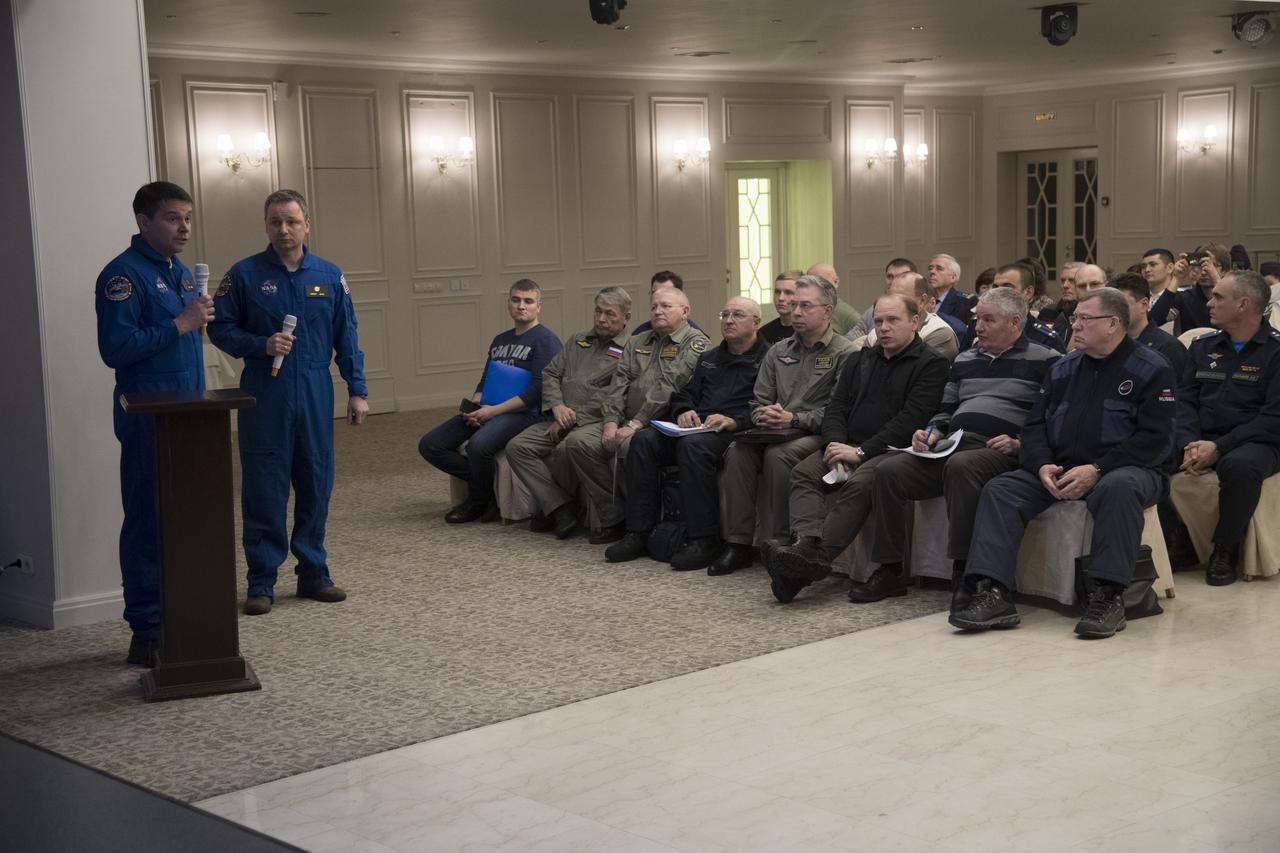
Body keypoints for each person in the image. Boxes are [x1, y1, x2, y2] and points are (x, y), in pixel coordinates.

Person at [949, 287, 1177, 639]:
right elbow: (1036, 426)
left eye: (1085, 319)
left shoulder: (1151, 368)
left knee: (1119, 488)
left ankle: (1108, 596)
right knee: (1002, 489)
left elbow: (1154, 440)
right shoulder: (1063, 368)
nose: (1076, 326)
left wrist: (1098, 470)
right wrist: (1040, 464)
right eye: (1075, 318)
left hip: (1128, 469)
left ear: (1114, 323)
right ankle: (993, 591)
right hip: (1063, 467)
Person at [209, 189, 368, 617]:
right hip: (266, 392)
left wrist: (357, 389)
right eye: (275, 222)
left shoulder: (330, 275)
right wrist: (261, 344)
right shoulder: (243, 275)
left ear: (306, 225)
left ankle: (314, 573)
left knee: (316, 482)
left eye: (292, 222)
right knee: (265, 485)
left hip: (315, 391)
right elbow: (221, 329)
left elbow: (347, 337)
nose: (284, 230)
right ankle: (262, 580)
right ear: (266, 226)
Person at [869, 287, 1060, 602]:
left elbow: (1052, 419)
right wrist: (929, 432)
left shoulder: (1047, 360)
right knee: (889, 470)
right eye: (977, 319)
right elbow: (945, 410)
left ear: (1015, 322)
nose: (979, 327)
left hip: (999, 451)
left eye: (988, 320)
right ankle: (889, 569)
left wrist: (1019, 442)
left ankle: (965, 568)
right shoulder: (965, 359)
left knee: (962, 466)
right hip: (953, 443)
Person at [765, 293, 948, 603]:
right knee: (803, 472)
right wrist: (836, 445)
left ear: (915, 322)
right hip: (847, 444)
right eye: (878, 321)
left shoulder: (931, 364)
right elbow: (835, 407)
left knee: (863, 483)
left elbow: (910, 420)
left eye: (893, 320)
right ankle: (805, 544)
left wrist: (861, 453)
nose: (884, 328)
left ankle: (810, 563)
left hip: (894, 450)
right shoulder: (858, 360)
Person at [96, 181, 213, 665]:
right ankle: (146, 628)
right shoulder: (122, 277)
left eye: (187, 217)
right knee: (148, 520)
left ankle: (183, 615)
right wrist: (179, 324)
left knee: (187, 521)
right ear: (144, 222)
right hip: (149, 418)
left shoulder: (181, 273)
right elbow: (115, 350)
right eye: (171, 217)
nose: (183, 226)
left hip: (189, 415)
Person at [605, 297, 769, 570]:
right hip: (697, 427)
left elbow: (768, 403)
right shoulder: (710, 358)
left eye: (737, 315)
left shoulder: (768, 357)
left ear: (756, 322)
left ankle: (704, 539)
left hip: (736, 429)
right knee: (644, 440)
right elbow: (685, 394)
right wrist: (683, 410)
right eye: (724, 314)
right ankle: (639, 531)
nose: (728, 320)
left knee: (693, 447)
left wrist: (734, 421)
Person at [713, 275, 856, 574]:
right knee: (738, 451)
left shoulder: (846, 353)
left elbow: (839, 411)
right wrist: (763, 415)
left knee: (779, 455)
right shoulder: (778, 351)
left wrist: (796, 418)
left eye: (805, 306)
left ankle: (780, 542)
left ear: (828, 311)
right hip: (774, 430)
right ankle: (738, 544)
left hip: (814, 433)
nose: (796, 312)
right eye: (793, 305)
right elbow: (756, 402)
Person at [564, 287, 709, 542]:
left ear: (685, 312)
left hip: (659, 422)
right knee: (578, 443)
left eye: (665, 306)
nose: (657, 311)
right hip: (622, 417)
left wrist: (635, 424)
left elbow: (669, 387)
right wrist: (610, 422)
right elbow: (618, 384)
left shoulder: (696, 343)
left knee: (632, 445)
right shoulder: (638, 341)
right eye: (654, 306)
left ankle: (641, 523)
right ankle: (614, 516)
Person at [417, 279, 561, 522]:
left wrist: (492, 412)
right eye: (516, 300)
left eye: (528, 301)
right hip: (490, 408)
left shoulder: (545, 340)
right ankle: (486, 480)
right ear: (508, 303)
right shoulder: (500, 340)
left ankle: (479, 501)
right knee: (431, 444)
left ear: (539, 306)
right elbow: (485, 379)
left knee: (478, 446)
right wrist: (476, 406)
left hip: (525, 414)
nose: (521, 306)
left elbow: (538, 391)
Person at [1175, 270, 1280, 585]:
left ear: (1243, 305)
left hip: (1258, 440)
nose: (1209, 302)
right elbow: (1184, 402)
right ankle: (1179, 539)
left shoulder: (1275, 353)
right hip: (1202, 436)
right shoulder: (1202, 348)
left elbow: (1273, 418)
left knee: (1239, 465)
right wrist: (1189, 442)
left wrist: (1219, 448)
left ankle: (1225, 547)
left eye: (1219, 297)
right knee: (1150, 452)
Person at [505, 288, 632, 538]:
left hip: (595, 420)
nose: (601, 319)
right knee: (517, 447)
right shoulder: (578, 340)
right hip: (559, 416)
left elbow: (616, 394)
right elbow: (550, 374)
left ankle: (557, 509)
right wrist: (557, 407)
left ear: (626, 318)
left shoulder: (631, 349)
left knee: (566, 448)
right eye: (598, 312)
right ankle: (560, 506)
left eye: (610, 314)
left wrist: (571, 418)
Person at [851, 272, 960, 361]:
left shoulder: (939, 333)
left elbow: (919, 371)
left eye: (902, 297)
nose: (894, 301)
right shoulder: (875, 333)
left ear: (922, 301)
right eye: (891, 296)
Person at [848, 258, 918, 339]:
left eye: (900, 277)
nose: (893, 281)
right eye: (889, 276)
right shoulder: (875, 309)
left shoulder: (918, 308)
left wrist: (866, 340)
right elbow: (849, 338)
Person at [630, 270, 704, 336]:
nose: (658, 296)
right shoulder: (639, 333)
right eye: (654, 292)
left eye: (666, 292)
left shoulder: (694, 337)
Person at [806, 262, 861, 334]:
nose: (812, 286)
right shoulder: (803, 309)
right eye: (808, 282)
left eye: (819, 281)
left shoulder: (848, 315)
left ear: (836, 282)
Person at [928, 254, 974, 326]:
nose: (932, 272)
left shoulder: (966, 302)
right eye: (930, 268)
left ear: (953, 277)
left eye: (939, 269)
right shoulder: (922, 300)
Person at [758, 270, 802, 346]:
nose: (781, 298)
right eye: (777, 292)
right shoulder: (764, 332)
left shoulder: (808, 331)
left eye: (788, 292)